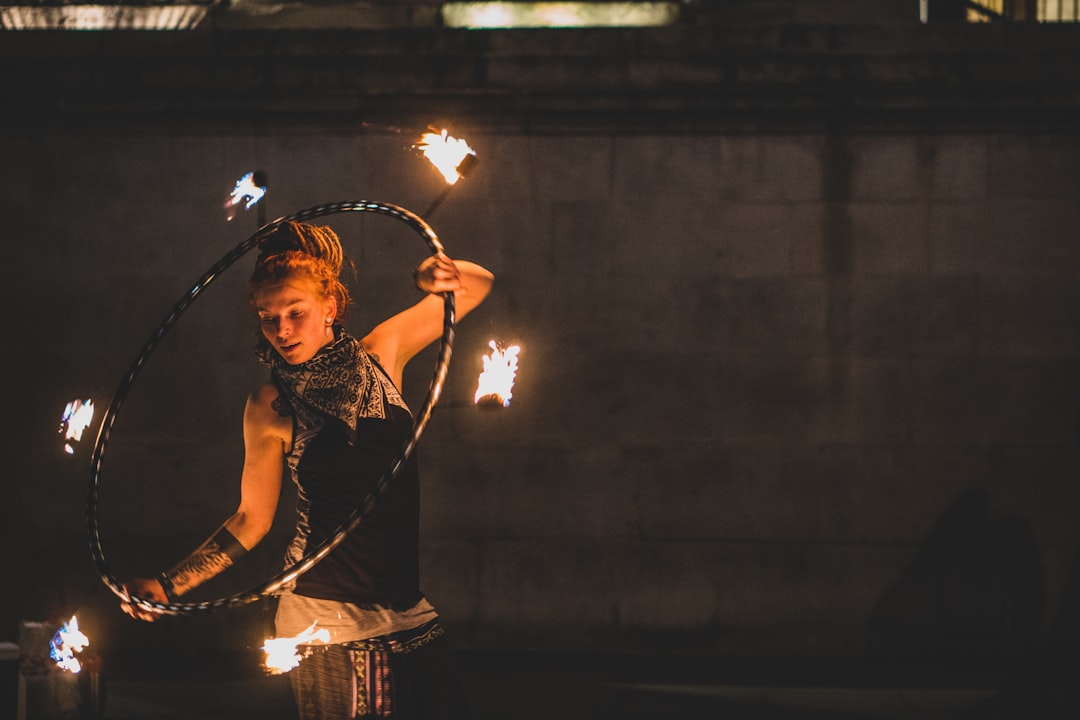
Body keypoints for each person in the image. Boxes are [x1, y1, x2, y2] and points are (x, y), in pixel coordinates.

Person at [121, 219, 494, 719]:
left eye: (295, 312)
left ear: (330, 307)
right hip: (325, 617)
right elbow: (251, 520)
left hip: (405, 607)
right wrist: (170, 586)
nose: (282, 330)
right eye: (267, 318)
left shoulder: (383, 353)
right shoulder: (268, 405)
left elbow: (476, 285)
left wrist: (433, 274)